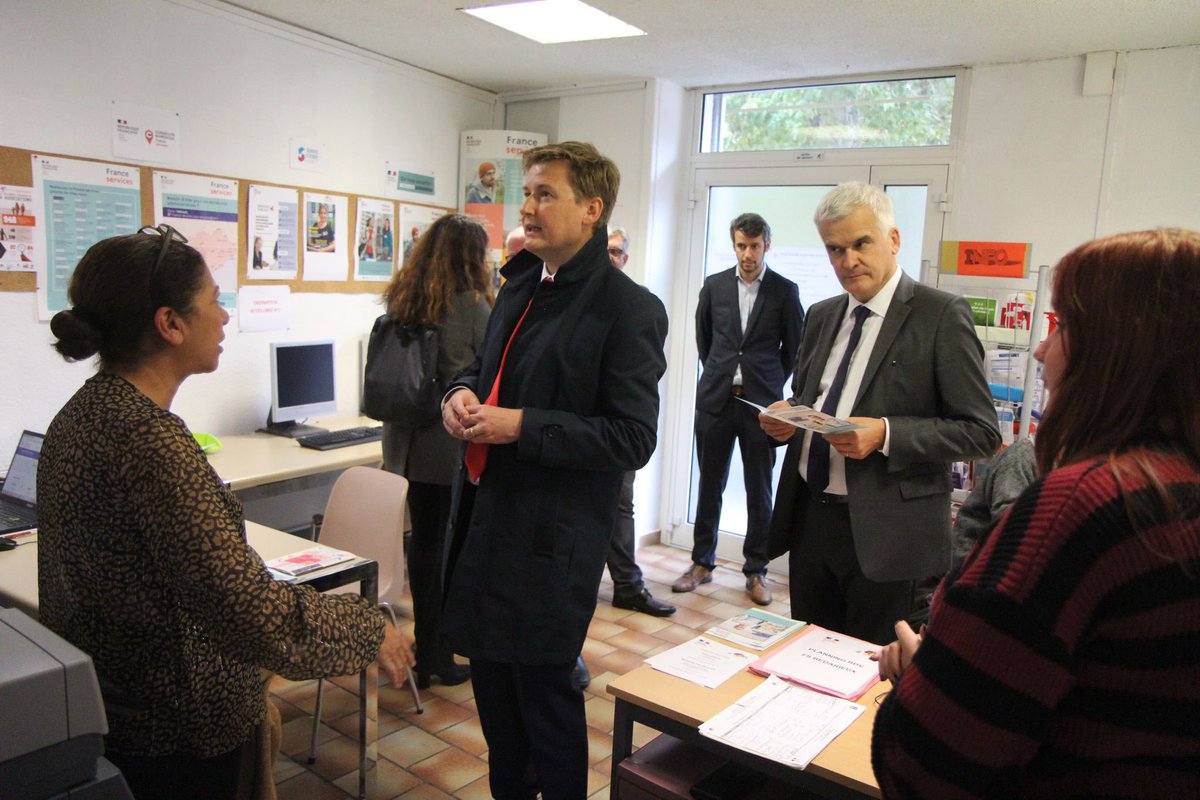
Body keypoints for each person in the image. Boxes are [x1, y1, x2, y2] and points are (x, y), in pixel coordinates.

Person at [37, 225, 414, 800]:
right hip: (177, 735)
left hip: (114, 715)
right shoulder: (151, 443)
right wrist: (369, 628)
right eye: (214, 300)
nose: (224, 316)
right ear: (170, 324)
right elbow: (250, 613)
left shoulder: (80, 414)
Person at [872, 227, 1200, 798]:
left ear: (1118, 351)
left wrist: (919, 673)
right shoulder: (1177, 490)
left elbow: (924, 763)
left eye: (1063, 326)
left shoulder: (1084, 507)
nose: (1042, 351)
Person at [441, 141, 668, 799]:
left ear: (591, 210)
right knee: (497, 713)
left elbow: (632, 438)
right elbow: (482, 370)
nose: (528, 208)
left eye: (546, 195)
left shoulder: (628, 308)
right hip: (484, 524)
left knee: (546, 709)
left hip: (549, 544)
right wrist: (458, 393)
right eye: (528, 193)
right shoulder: (519, 284)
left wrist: (520, 425)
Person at [761, 182, 1000, 645]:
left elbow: (980, 432)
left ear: (893, 240)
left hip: (890, 534)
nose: (848, 260)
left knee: (875, 673)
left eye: (860, 243)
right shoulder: (821, 314)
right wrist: (784, 420)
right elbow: (808, 398)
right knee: (808, 658)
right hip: (811, 522)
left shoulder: (940, 315)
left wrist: (887, 434)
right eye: (834, 249)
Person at [380, 213, 493, 688]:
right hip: (443, 443)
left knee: (422, 544)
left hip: (402, 440)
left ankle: (427, 653)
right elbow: (488, 367)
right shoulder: (471, 305)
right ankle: (435, 653)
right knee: (444, 549)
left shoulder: (404, 296)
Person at [678, 212, 804, 606]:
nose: (747, 254)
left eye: (754, 246)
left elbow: (795, 349)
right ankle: (702, 562)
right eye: (741, 245)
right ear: (734, 245)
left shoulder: (784, 291)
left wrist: (767, 382)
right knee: (709, 484)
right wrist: (722, 373)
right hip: (716, 400)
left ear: (767, 245)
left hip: (761, 406)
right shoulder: (714, 286)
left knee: (759, 489)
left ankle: (756, 570)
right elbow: (705, 340)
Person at [604, 225, 675, 618]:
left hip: (621, 426)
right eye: (606, 250)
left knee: (621, 503)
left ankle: (628, 585)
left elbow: (650, 367)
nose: (611, 257)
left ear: (626, 258)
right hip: (584, 428)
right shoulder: (580, 301)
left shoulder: (640, 305)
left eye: (617, 252)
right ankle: (626, 583)